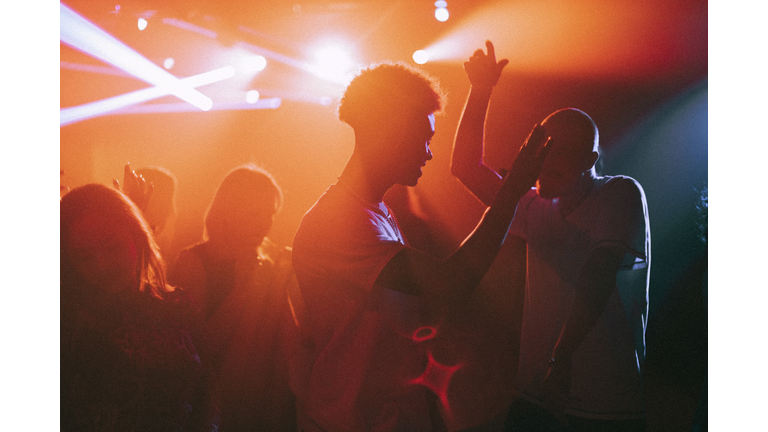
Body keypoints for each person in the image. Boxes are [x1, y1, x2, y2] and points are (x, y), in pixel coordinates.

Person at [291, 61, 551, 432]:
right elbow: (451, 281)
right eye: (424, 138)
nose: (429, 153)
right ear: (394, 132)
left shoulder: (375, 209)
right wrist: (511, 191)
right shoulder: (340, 221)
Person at [451, 42, 651, 432]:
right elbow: (464, 167)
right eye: (540, 148)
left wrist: (561, 359)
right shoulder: (532, 205)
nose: (545, 161)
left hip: (605, 400)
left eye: (560, 152)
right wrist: (480, 90)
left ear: (590, 161)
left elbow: (598, 274)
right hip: (533, 391)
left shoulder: (619, 192)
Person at [60, 183, 217, 432]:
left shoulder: (176, 305)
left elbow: (206, 392)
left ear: (138, 235)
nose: (102, 265)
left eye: (113, 247)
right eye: (84, 257)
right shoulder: (66, 323)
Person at [170, 164, 300, 432]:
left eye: (270, 213)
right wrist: (241, 291)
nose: (265, 222)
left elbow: (290, 346)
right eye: (255, 213)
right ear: (228, 212)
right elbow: (193, 350)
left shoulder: (269, 265)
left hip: (262, 408)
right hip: (211, 410)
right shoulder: (194, 263)